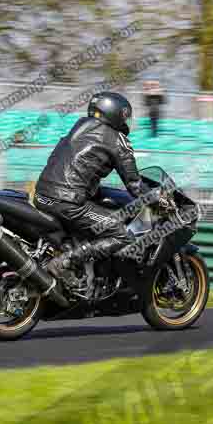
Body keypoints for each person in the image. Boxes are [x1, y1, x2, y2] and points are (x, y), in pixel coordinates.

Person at [34, 92, 148, 283]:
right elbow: (134, 185)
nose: (126, 122)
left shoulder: (78, 127)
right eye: (125, 116)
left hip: (42, 196)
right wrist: (157, 198)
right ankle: (66, 262)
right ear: (115, 113)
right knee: (122, 235)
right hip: (68, 202)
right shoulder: (116, 139)